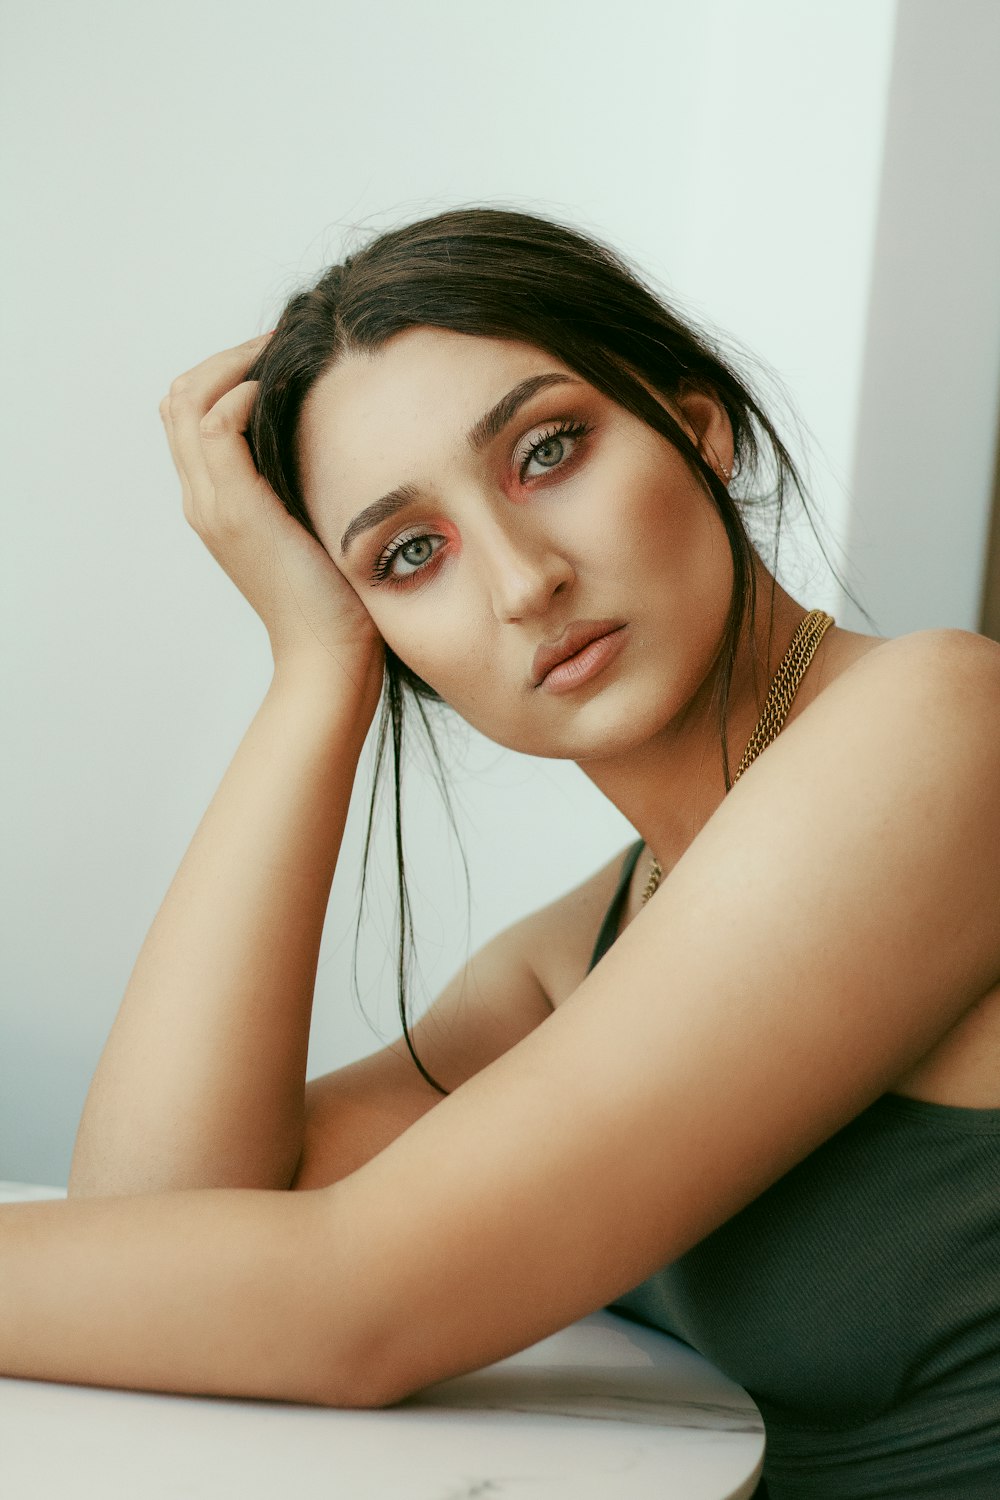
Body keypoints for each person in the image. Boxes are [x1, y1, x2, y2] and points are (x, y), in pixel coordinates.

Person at [2, 208, 999, 1499]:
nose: (524, 580)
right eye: (410, 555)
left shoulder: (946, 731)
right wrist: (316, 671)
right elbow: (149, 1230)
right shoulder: (575, 958)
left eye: (547, 450)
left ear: (701, 427)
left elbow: (351, 1306)